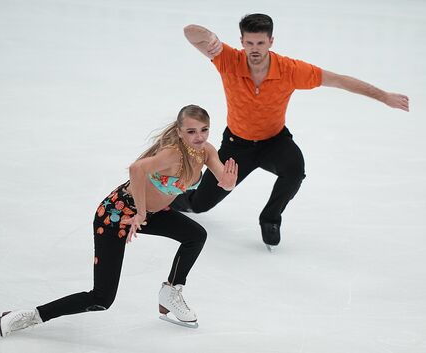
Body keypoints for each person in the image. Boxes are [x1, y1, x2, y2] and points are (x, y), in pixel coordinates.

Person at [0, 104, 238, 336]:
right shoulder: (172, 154)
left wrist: (227, 185)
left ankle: (171, 292)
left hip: (150, 214)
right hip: (116, 215)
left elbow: (221, 176)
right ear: (179, 131)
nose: (199, 136)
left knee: (196, 235)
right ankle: (28, 316)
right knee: (101, 299)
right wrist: (140, 213)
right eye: (191, 131)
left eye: (204, 130)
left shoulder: (205, 151)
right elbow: (136, 169)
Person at [173, 14, 410, 250]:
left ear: (271, 41)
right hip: (237, 146)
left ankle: (270, 219)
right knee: (199, 206)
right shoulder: (228, 59)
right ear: (242, 41)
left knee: (295, 170)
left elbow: (339, 80)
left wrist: (384, 97)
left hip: (274, 142)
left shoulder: (289, 69)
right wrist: (210, 38)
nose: (255, 49)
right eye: (249, 43)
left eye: (261, 43)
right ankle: (173, 198)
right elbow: (189, 32)